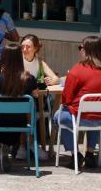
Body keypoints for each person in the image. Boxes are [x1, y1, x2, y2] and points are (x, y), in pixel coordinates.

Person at [0, 43, 38, 172]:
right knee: (17, 115)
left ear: (4, 58)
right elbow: (36, 95)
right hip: (19, 122)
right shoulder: (28, 78)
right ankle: (6, 147)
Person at [53, 36, 101, 170]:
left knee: (59, 116)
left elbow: (66, 99)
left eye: (81, 48)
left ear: (87, 51)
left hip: (79, 119)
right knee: (95, 113)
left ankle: (75, 154)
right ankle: (90, 153)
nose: (79, 50)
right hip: (99, 121)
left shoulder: (77, 70)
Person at [16, 34, 59, 161]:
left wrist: (50, 80)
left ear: (35, 48)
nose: (24, 49)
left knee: (32, 108)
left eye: (28, 47)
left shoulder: (40, 62)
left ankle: (28, 146)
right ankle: (26, 145)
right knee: (27, 110)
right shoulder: (18, 61)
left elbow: (56, 78)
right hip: (20, 98)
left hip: (36, 99)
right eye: (22, 46)